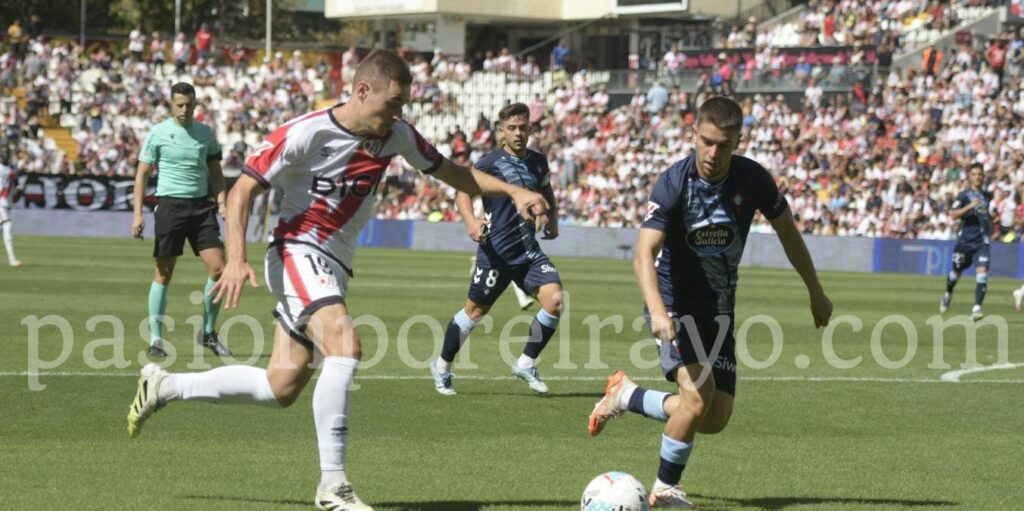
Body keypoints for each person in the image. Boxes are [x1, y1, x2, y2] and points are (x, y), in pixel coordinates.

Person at [124, 49, 549, 511]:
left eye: (403, 106)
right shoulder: (306, 132)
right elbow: (243, 189)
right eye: (392, 104)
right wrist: (236, 258)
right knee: (345, 344)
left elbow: (455, 174)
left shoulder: (397, 135)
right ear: (362, 91)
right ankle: (333, 486)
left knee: (279, 387)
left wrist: (515, 191)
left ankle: (165, 386)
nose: (397, 114)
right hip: (296, 250)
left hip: (334, 265)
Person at [587, 97, 832, 508]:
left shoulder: (753, 179)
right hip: (674, 303)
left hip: (718, 309)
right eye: (706, 141)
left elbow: (788, 232)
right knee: (698, 397)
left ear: (738, 142)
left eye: (724, 144)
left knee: (714, 417)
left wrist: (815, 290)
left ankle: (626, 395)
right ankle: (665, 489)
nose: (713, 153)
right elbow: (643, 253)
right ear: (693, 135)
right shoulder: (673, 183)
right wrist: (659, 310)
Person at [429, 103, 562, 396]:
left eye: (523, 128)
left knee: (555, 301)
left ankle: (526, 363)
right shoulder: (490, 162)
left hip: (528, 253)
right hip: (496, 254)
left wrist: (551, 218)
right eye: (512, 128)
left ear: (529, 129)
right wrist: (471, 221)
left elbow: (546, 190)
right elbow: (464, 191)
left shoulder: (538, 162)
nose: (518, 133)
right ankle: (441, 366)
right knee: (475, 311)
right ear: (501, 132)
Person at [130, 81, 231, 358]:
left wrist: (222, 202)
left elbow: (216, 172)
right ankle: (156, 339)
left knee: (219, 268)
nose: (185, 110)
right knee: (163, 273)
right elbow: (142, 174)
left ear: (195, 104)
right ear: (171, 105)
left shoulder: (206, 134)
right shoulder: (158, 133)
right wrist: (138, 214)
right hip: (170, 207)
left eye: (189, 105)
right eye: (180, 105)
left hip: (201, 208)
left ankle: (208, 333)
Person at [941, 162, 991, 320]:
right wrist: (970, 206)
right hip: (965, 241)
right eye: (974, 174)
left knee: (982, 272)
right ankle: (948, 292)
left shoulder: (987, 196)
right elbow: (953, 214)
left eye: (980, 174)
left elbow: (987, 216)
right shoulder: (964, 195)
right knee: (956, 272)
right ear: (970, 177)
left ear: (983, 177)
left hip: (982, 242)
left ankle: (976, 308)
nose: (977, 177)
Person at [0, 153, 22, 267]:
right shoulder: (7, 170)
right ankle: (12, 259)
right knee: (7, 226)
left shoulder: (8, 170)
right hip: (1, 204)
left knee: (4, 228)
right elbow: (16, 182)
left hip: (6, 204)